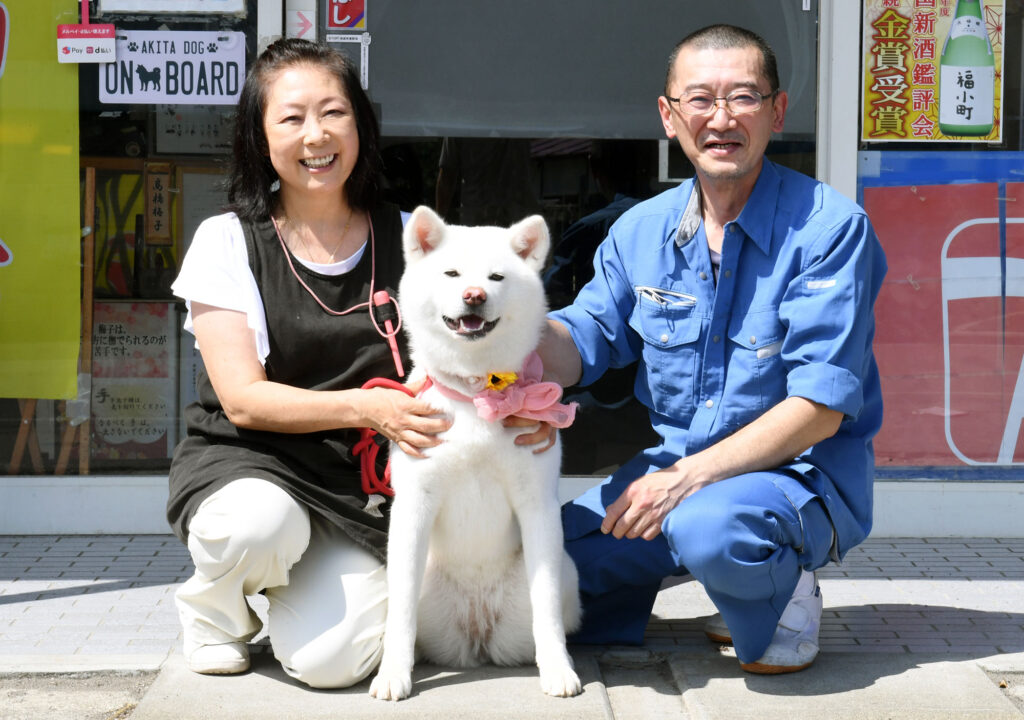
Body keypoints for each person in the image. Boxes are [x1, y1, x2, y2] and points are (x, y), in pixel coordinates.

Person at [538, 24, 887, 674]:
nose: (721, 119)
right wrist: (506, 331)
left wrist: (687, 480)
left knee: (712, 529)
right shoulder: (638, 232)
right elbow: (584, 341)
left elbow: (820, 408)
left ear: (777, 111)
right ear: (669, 117)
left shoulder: (829, 231)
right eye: (700, 99)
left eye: (743, 98)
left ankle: (782, 588)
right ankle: (714, 576)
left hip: (793, 481)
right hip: (671, 476)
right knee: (532, 573)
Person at [166, 39, 452, 688]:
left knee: (329, 665)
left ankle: (302, 588)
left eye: (334, 113)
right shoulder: (227, 241)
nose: (316, 135)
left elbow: (473, 355)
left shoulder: (412, 236)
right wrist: (367, 407)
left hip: (362, 486)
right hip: (255, 464)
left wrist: (511, 395)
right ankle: (214, 614)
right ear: (258, 137)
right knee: (257, 528)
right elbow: (242, 399)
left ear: (361, 124)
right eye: (291, 118)